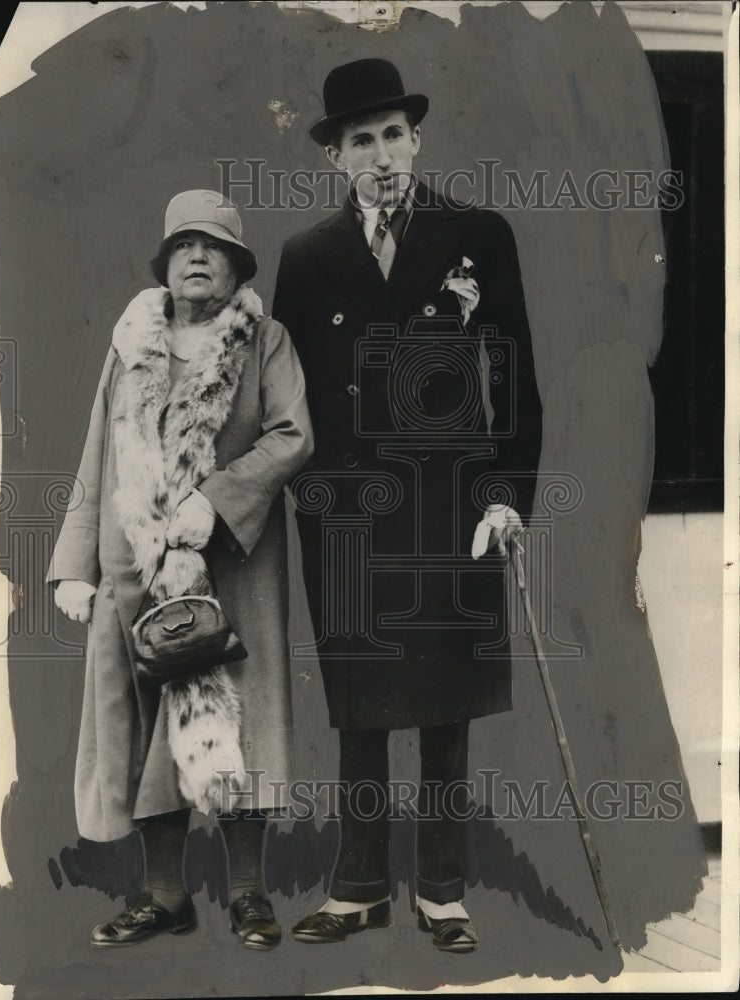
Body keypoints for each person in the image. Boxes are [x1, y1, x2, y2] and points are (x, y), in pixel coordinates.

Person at [272, 59, 543, 952]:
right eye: (361, 140)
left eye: (393, 134)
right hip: (347, 514)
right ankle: (355, 890)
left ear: (416, 140)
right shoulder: (306, 256)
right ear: (335, 156)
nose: (381, 154)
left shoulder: (478, 233)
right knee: (358, 701)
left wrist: (505, 497)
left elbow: (513, 377)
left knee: (444, 703)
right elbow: (286, 397)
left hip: (450, 507)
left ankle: (440, 893)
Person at [49, 189, 313, 951]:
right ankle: (164, 898)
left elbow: (293, 436)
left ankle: (249, 896)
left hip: (233, 563)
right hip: (134, 563)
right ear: (165, 264)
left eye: (214, 247)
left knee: (240, 721)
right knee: (144, 725)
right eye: (184, 246)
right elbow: (96, 456)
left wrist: (216, 499)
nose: (198, 257)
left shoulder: (265, 341)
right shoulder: (131, 344)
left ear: (236, 267)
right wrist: (75, 565)